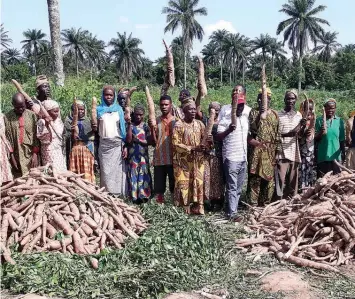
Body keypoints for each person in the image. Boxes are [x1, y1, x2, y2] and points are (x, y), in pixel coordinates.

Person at [216, 85, 251, 220]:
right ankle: (232, 213)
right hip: (231, 155)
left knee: (238, 187)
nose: (239, 108)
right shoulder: (226, 113)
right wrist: (229, 130)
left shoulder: (247, 114)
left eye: (241, 105)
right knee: (231, 185)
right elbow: (218, 136)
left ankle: (232, 208)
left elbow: (248, 136)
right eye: (234, 91)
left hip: (243, 156)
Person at [172, 98, 208, 215]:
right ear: (184, 111)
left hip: (198, 161)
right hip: (183, 162)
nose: (193, 111)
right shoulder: (179, 124)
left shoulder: (200, 124)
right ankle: (184, 208)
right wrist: (192, 148)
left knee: (198, 182)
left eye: (194, 109)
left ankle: (198, 206)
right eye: (190, 109)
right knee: (184, 183)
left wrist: (208, 143)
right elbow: (175, 143)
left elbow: (205, 142)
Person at [247, 88, 279, 206]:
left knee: (268, 179)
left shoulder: (275, 114)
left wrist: (278, 152)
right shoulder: (253, 112)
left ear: (269, 100)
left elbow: (277, 134)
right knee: (255, 177)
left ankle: (265, 203)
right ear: (257, 99)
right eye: (260, 98)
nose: (262, 101)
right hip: (256, 150)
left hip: (270, 150)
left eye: (266, 98)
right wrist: (260, 115)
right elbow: (253, 130)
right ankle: (253, 204)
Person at [275, 89, 306, 200]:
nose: (290, 101)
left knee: (293, 180)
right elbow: (277, 134)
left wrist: (302, 127)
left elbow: (300, 135)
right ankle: (278, 202)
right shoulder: (278, 114)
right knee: (280, 179)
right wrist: (292, 132)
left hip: (294, 150)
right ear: (284, 100)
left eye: (292, 98)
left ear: (296, 100)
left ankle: (292, 202)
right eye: (288, 98)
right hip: (281, 151)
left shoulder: (299, 115)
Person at [97, 85, 127, 196]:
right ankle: (107, 193)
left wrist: (124, 145)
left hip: (116, 144)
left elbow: (122, 128)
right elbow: (95, 130)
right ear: (103, 96)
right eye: (106, 94)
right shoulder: (98, 110)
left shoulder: (118, 110)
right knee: (105, 170)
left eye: (111, 95)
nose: (108, 97)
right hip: (104, 145)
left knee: (117, 171)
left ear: (114, 96)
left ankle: (118, 193)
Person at [4, 93, 40, 177]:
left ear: (25, 103)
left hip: (30, 154)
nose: (20, 109)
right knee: (18, 179)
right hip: (15, 155)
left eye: (22, 106)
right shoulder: (7, 117)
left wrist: (35, 154)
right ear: (12, 104)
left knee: (33, 177)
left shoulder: (32, 115)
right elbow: (7, 138)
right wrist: (12, 157)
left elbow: (36, 135)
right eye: (17, 107)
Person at [149, 95, 176, 204]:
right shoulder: (156, 121)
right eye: (162, 105)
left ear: (171, 105)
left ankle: (174, 203)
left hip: (173, 158)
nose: (164, 107)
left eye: (166, 104)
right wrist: (151, 128)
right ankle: (160, 205)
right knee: (159, 186)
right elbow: (153, 142)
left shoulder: (177, 121)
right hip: (160, 157)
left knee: (174, 184)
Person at [126, 104, 153, 204]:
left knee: (143, 175)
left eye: (140, 115)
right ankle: (134, 197)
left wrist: (137, 140)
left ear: (143, 115)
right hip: (133, 156)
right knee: (133, 176)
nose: (138, 117)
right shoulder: (130, 126)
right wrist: (129, 125)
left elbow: (150, 142)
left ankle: (143, 196)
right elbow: (128, 140)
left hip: (143, 156)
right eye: (136, 115)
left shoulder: (146, 126)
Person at [64, 99, 96, 182]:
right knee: (75, 169)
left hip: (87, 149)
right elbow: (66, 136)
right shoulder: (68, 121)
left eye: (82, 109)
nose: (80, 111)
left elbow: (93, 135)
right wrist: (73, 132)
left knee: (87, 169)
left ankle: (88, 188)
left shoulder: (88, 120)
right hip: (75, 148)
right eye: (77, 109)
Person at [203, 102, 225, 210]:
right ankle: (210, 200)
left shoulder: (222, 122)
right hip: (207, 154)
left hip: (218, 154)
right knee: (208, 178)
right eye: (212, 109)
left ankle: (219, 200)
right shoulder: (205, 121)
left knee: (218, 178)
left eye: (216, 110)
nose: (214, 112)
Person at [315, 99, 345, 177]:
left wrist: (343, 154)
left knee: (336, 181)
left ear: (335, 108)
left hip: (336, 157)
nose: (330, 110)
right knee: (322, 181)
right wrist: (321, 132)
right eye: (328, 108)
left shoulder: (339, 121)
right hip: (323, 156)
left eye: (332, 108)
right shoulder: (319, 120)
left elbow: (341, 140)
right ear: (324, 108)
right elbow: (316, 139)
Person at [37, 100, 66, 172]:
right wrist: (47, 124)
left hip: (59, 150)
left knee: (61, 172)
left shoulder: (59, 121)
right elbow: (44, 140)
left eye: (58, 111)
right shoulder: (41, 122)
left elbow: (62, 135)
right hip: (49, 151)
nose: (57, 113)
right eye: (55, 111)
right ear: (47, 112)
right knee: (52, 171)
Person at [298, 99, 316, 191]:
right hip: (302, 151)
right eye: (306, 108)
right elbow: (298, 136)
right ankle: (302, 190)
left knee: (310, 171)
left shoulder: (313, 120)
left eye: (310, 109)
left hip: (311, 152)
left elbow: (315, 136)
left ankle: (309, 190)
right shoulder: (300, 120)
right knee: (302, 170)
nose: (308, 111)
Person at [0, 113, 14, 185]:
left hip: (1, 142)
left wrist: (6, 144)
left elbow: (2, 132)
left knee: (2, 162)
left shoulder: (1, 116)